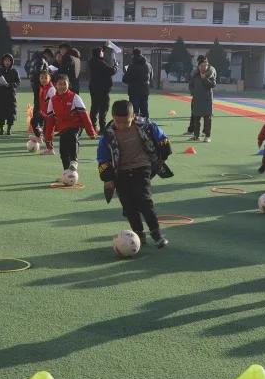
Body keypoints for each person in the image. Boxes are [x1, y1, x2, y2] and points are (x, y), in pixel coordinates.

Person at [98, 99, 173, 249]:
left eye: (126, 122)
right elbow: (103, 158)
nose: (122, 126)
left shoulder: (146, 126)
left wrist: (164, 148)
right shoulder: (108, 135)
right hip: (121, 171)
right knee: (128, 205)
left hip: (142, 166)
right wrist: (108, 179)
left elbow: (161, 137)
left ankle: (156, 233)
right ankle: (138, 234)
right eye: (118, 122)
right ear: (112, 117)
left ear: (133, 116)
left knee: (144, 200)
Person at [43, 72, 97, 174]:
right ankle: (67, 173)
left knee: (72, 137)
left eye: (65, 83)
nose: (62, 86)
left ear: (68, 84)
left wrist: (91, 132)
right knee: (63, 151)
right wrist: (48, 140)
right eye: (60, 84)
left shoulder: (75, 97)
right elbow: (50, 122)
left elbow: (84, 116)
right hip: (63, 128)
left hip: (76, 126)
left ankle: (74, 161)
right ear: (55, 85)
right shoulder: (52, 101)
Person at [88, 45, 118, 133]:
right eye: (101, 51)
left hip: (94, 88)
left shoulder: (92, 62)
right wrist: (115, 66)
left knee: (94, 107)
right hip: (102, 89)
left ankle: (93, 126)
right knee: (103, 108)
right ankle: (102, 128)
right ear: (98, 53)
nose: (103, 53)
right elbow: (111, 71)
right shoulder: (99, 62)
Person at [0, 53, 20, 135]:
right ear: (2, 61)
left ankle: (9, 129)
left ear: (11, 62)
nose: (7, 62)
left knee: (10, 112)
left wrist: (11, 85)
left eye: (9, 61)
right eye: (5, 60)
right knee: (1, 112)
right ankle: (1, 129)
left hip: (10, 95)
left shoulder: (14, 71)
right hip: (0, 94)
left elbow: (18, 82)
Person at [188, 55, 216, 142]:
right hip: (197, 99)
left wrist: (205, 79)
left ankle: (207, 136)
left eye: (206, 65)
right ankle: (196, 136)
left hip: (207, 100)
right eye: (202, 65)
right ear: (199, 66)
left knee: (207, 119)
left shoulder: (210, 74)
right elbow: (191, 85)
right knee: (196, 118)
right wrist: (193, 93)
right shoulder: (195, 75)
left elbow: (213, 84)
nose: (204, 67)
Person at [122, 47, 152, 119]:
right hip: (145, 90)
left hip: (134, 91)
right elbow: (151, 77)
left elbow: (125, 79)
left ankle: (135, 128)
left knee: (134, 111)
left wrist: (126, 73)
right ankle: (146, 127)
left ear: (133, 55)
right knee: (144, 111)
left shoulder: (132, 66)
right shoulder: (148, 65)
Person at [31, 64, 55, 140]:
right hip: (43, 112)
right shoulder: (42, 88)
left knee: (47, 134)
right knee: (33, 120)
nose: (43, 80)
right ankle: (38, 136)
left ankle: (50, 149)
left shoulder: (51, 89)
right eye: (41, 78)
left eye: (46, 78)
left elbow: (55, 103)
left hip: (50, 115)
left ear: (49, 78)